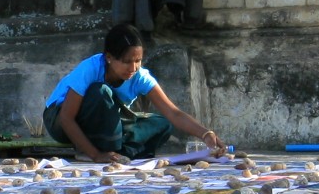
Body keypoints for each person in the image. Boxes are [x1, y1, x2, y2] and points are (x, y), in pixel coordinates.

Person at [43, 22, 223, 165]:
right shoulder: (90, 69)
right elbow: (67, 118)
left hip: (108, 124)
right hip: (61, 119)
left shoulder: (140, 76)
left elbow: (173, 112)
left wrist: (206, 134)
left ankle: (116, 151)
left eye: (138, 61)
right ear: (109, 58)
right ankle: (95, 149)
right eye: (127, 61)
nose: (133, 68)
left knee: (162, 124)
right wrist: (95, 155)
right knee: (101, 91)